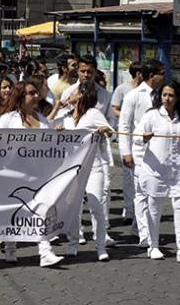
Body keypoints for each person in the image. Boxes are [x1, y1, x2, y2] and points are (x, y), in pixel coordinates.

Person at [0, 81, 64, 267]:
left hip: (39, 174)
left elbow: (52, 145)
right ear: (20, 97)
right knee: (13, 210)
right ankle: (10, 248)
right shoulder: (7, 119)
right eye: (31, 93)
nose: (35, 96)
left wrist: (56, 132)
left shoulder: (42, 120)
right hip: (13, 173)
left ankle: (45, 251)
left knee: (41, 208)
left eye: (36, 92)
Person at [134, 81, 180, 262]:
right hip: (156, 171)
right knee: (154, 209)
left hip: (178, 172)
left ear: (177, 98)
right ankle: (153, 246)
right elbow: (137, 138)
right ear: (160, 96)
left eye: (171, 95)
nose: (167, 99)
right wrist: (143, 138)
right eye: (164, 95)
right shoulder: (151, 116)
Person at [53, 81, 112, 261]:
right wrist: (59, 130)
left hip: (94, 167)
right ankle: (73, 243)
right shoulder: (66, 117)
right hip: (72, 169)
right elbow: (50, 129)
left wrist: (105, 130)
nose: (69, 95)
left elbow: (111, 131)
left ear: (82, 95)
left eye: (74, 92)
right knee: (74, 208)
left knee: (96, 206)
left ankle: (101, 246)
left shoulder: (94, 114)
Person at [118, 59, 165, 248]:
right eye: (161, 72)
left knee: (152, 193)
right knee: (141, 193)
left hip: (158, 152)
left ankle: (139, 228)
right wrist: (125, 152)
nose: (164, 75)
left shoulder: (163, 96)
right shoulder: (134, 96)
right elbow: (124, 125)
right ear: (152, 76)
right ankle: (145, 234)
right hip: (138, 152)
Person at [111, 61, 143, 224]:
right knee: (128, 177)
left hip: (142, 138)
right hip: (127, 136)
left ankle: (139, 212)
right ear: (138, 74)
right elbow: (114, 108)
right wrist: (126, 114)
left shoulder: (147, 91)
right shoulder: (122, 89)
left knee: (141, 177)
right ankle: (129, 210)